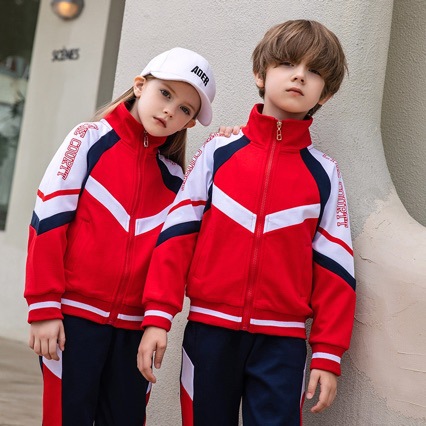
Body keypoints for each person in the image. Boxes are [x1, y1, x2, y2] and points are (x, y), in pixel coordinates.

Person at [138, 20, 356, 426]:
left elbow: (336, 269)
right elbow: (177, 236)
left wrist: (328, 352)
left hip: (283, 345)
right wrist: (157, 316)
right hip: (208, 333)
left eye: (313, 71)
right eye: (287, 63)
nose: (299, 76)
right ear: (260, 73)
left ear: (325, 94)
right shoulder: (218, 150)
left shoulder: (325, 173)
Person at [24, 47, 217, 426]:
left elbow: (172, 257)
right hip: (72, 321)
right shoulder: (88, 138)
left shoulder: (176, 179)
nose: (169, 111)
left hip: (134, 332)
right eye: (165, 93)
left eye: (184, 109)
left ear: (191, 123)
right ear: (140, 85)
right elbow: (48, 219)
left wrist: (156, 320)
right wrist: (43, 305)